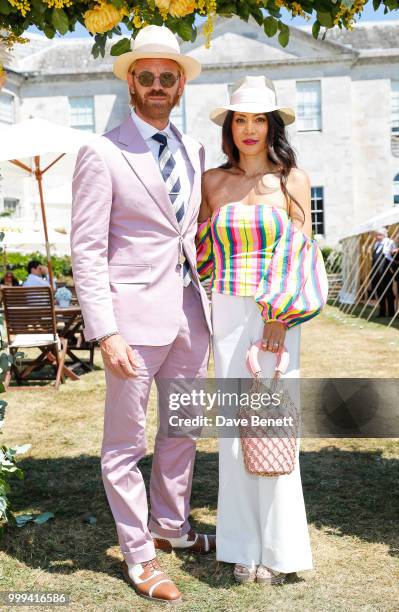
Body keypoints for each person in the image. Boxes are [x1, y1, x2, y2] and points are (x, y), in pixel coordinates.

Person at [70, 25, 212, 604]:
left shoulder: (192, 148)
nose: (157, 85)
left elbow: (191, 231)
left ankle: (170, 527)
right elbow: (87, 249)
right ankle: (139, 554)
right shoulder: (101, 152)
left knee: (182, 428)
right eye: (147, 76)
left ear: (179, 85)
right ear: (132, 82)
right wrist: (105, 330)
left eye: (167, 77)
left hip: (190, 313)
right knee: (124, 445)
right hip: (130, 319)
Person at [196, 76, 328, 584]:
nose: (249, 128)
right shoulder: (212, 182)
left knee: (272, 424)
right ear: (230, 126)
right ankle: (241, 546)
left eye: (258, 119)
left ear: (272, 124)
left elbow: (302, 257)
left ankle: (281, 547)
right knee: (233, 431)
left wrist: (278, 316)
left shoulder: (293, 178)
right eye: (240, 119)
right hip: (227, 312)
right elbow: (203, 255)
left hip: (277, 316)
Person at [371, 228, 396, 317]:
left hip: (385, 270)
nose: (376, 237)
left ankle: (391, 312)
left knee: (388, 291)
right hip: (376, 270)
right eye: (376, 235)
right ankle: (382, 311)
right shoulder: (377, 244)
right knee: (379, 291)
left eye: (378, 235)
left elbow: (392, 257)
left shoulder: (389, 242)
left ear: (383, 235)